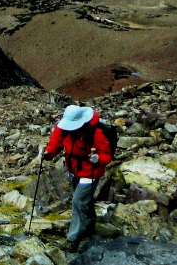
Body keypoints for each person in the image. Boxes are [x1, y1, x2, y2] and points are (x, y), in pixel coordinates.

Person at [41, 104, 111, 251]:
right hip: (74, 169)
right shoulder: (64, 129)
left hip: (90, 172)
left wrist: (98, 158)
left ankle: (73, 239)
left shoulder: (95, 133)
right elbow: (56, 142)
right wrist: (48, 153)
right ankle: (90, 224)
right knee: (84, 200)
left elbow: (107, 155)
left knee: (78, 201)